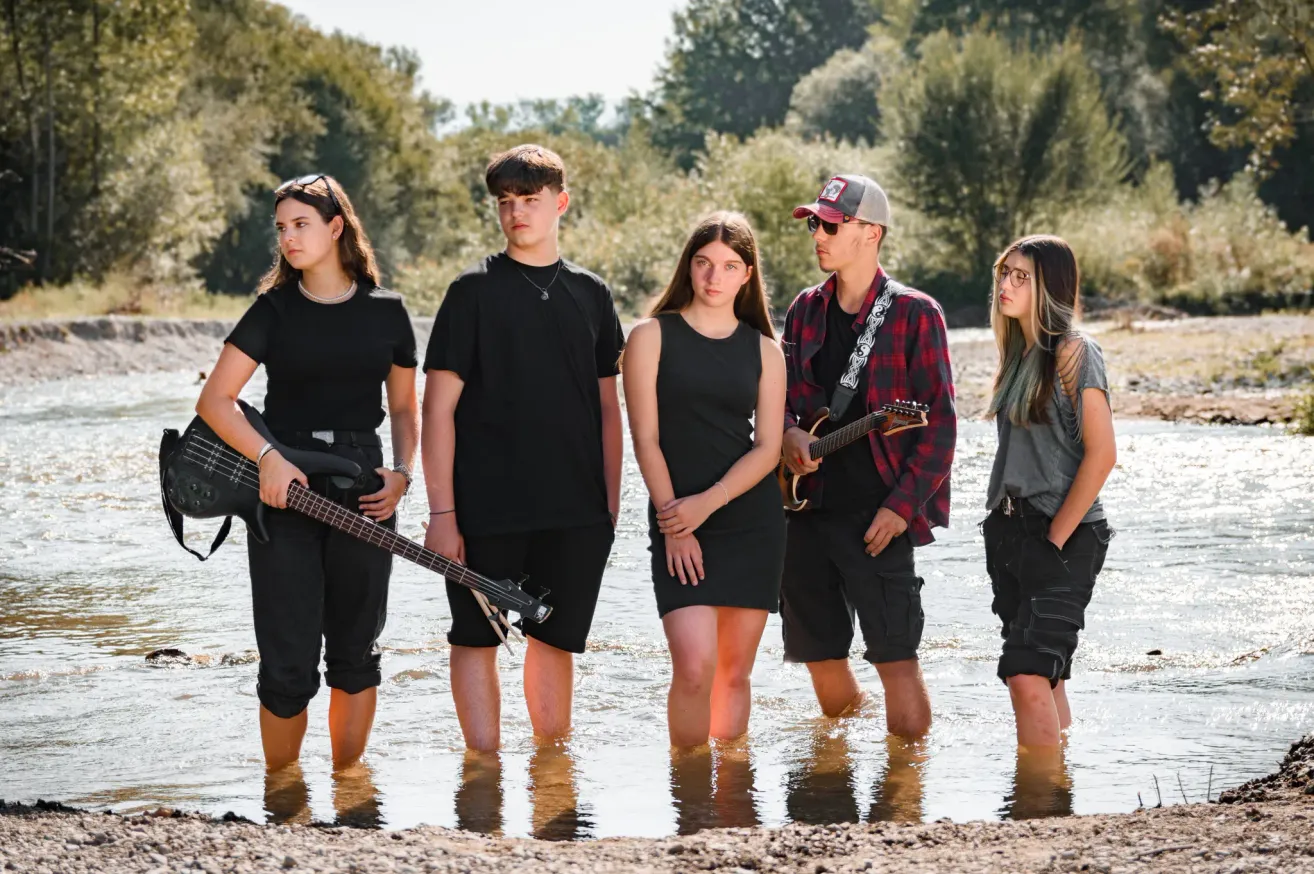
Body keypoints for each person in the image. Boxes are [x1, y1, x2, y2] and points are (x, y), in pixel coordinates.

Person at [195, 174, 418, 774]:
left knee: (356, 653)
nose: (289, 238)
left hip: (366, 491)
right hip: (282, 492)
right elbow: (215, 401)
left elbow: (402, 408)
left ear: (336, 227)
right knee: (287, 660)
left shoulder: (389, 313)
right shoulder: (272, 310)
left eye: (302, 225)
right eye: (282, 228)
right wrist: (267, 458)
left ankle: (349, 790)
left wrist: (400, 473)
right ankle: (282, 791)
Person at [421, 144, 625, 751]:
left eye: (530, 201)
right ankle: (482, 775)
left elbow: (608, 411)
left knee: (556, 642)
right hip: (484, 510)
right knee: (475, 639)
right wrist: (442, 514)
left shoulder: (592, 294)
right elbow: (438, 410)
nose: (516, 214)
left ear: (560, 203)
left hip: (577, 510)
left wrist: (609, 507)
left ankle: (549, 775)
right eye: (506, 203)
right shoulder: (471, 292)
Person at [779, 174, 956, 738]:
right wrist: (787, 435)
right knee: (818, 655)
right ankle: (839, 777)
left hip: (878, 515)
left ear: (871, 232)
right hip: (804, 511)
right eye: (814, 223)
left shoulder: (914, 313)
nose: (818, 235)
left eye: (831, 224)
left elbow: (942, 426)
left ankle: (905, 790)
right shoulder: (804, 309)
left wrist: (902, 508)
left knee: (895, 657)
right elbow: (778, 401)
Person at [622, 211, 787, 749]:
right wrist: (676, 522)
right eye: (704, 263)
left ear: (747, 275)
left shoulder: (765, 350)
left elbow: (767, 449)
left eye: (729, 265)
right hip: (676, 518)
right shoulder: (650, 336)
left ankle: (731, 800)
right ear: (688, 268)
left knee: (734, 675)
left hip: (748, 518)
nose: (714, 277)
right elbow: (645, 438)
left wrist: (707, 504)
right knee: (694, 668)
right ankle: (690, 795)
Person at [980, 235, 1116, 748]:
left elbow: (1103, 454)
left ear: (1050, 288)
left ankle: (1036, 802)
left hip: (1065, 532)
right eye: (1004, 273)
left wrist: (1054, 539)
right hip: (1010, 531)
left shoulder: (1075, 351)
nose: (1006, 285)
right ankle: (1057, 797)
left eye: (1022, 277)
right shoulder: (1016, 355)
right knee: (1047, 673)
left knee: (1025, 671)